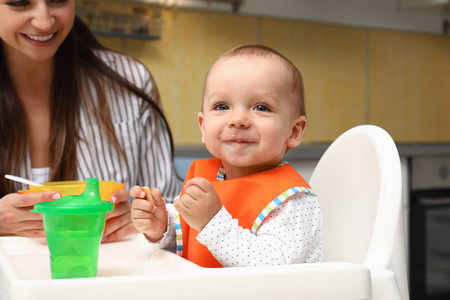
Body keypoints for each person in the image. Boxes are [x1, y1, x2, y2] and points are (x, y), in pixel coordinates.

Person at [0, 0, 180, 241]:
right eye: (18, 2)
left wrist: (152, 220)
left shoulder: (130, 82)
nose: (44, 22)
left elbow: (173, 211)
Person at [130, 44, 323, 267]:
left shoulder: (293, 199)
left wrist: (212, 222)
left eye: (261, 107)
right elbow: (195, 248)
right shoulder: (206, 178)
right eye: (222, 106)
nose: (238, 119)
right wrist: (161, 227)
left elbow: (273, 268)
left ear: (294, 131)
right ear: (203, 126)